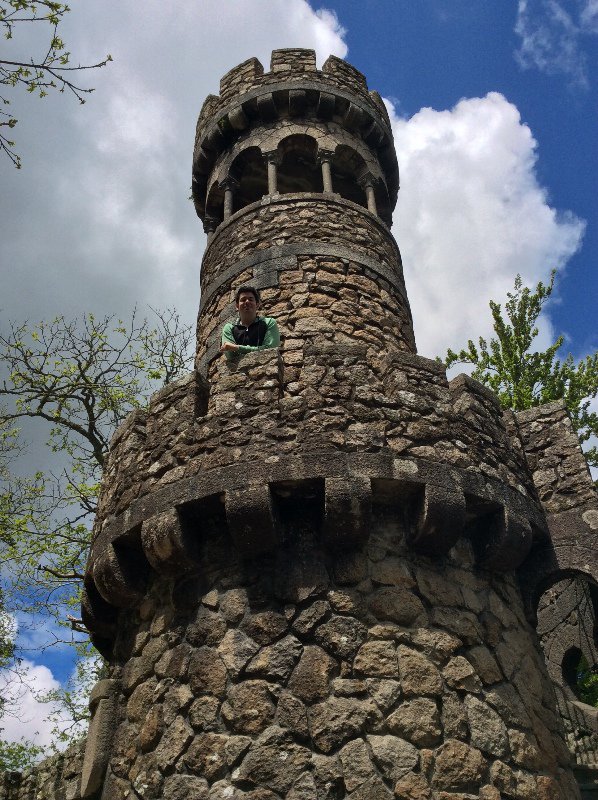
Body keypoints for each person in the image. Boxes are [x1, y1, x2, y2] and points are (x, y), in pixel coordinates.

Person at [220, 286, 280, 358]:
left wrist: (237, 348)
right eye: (243, 299)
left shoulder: (268, 323)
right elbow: (230, 355)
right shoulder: (229, 328)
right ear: (237, 306)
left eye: (251, 299)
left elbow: (270, 350)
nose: (247, 302)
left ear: (257, 304)